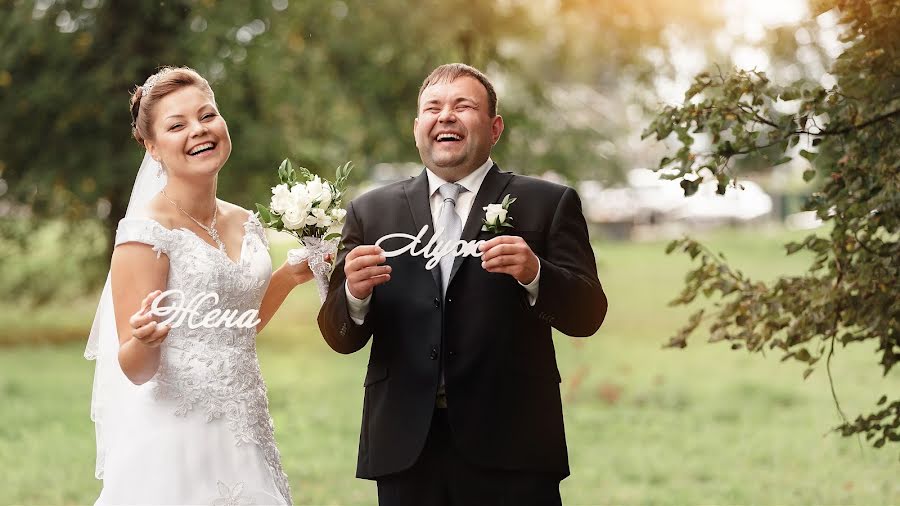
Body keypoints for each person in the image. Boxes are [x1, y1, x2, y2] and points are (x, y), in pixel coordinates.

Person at [318, 63, 608, 506]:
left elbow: (588, 314)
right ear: (417, 128)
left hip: (514, 446)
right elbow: (340, 336)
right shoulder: (370, 213)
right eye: (432, 107)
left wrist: (535, 274)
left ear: (494, 128)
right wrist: (355, 296)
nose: (445, 116)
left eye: (463, 106)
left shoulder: (548, 203)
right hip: (405, 450)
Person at [85, 66, 310, 505]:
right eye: (177, 125)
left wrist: (288, 277)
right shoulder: (144, 234)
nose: (199, 130)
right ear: (151, 147)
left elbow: (232, 330)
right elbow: (132, 367)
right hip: (177, 441)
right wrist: (146, 341)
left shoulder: (246, 222)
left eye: (207, 115)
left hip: (247, 434)